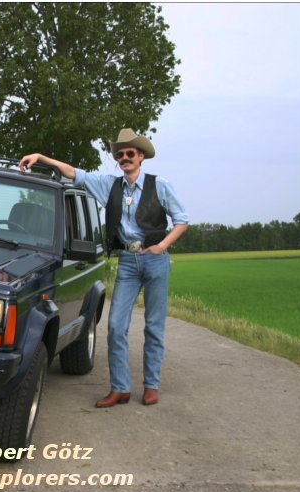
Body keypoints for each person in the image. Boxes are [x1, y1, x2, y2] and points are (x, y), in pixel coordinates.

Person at [19, 128, 189, 407]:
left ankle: (151, 385)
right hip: (127, 262)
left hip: (155, 260)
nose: (124, 158)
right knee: (114, 325)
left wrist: (162, 246)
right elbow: (75, 173)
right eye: (120, 155)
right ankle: (120, 388)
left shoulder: (160, 185)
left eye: (130, 154)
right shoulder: (109, 185)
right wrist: (42, 158)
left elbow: (182, 220)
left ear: (141, 156)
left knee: (154, 325)